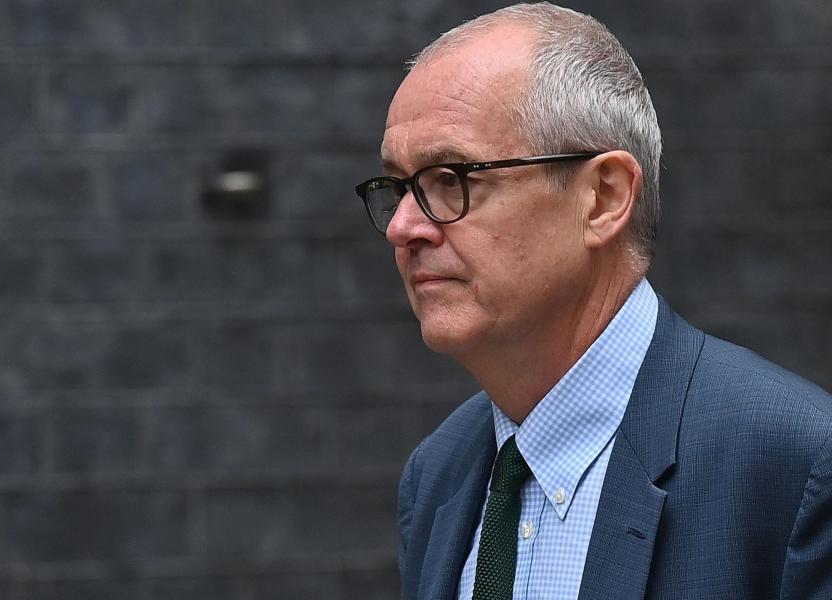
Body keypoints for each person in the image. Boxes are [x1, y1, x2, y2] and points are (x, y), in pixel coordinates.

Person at [353, 3, 832, 599]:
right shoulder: (437, 474)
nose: (403, 227)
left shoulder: (796, 461)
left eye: (451, 179)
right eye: (398, 188)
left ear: (604, 198)